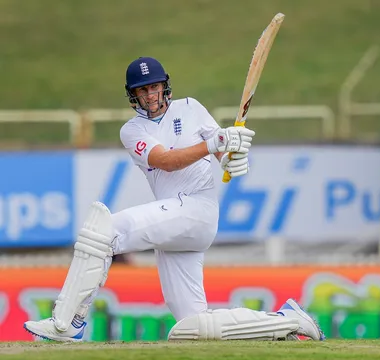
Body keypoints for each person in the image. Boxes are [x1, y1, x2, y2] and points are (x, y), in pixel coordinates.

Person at [23, 57, 324, 342]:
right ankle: (288, 320)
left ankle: (69, 322)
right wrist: (213, 144)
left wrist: (231, 157)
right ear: (133, 95)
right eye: (143, 90)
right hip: (177, 226)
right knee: (192, 327)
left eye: (154, 87)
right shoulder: (132, 130)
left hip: (197, 209)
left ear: (164, 85)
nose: (150, 95)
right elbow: (166, 161)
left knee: (105, 229)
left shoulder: (191, 108)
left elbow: (221, 151)